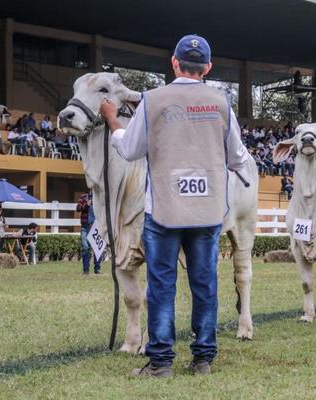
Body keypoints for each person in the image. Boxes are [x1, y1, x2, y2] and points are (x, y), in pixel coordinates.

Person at [100, 34, 248, 378]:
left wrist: (113, 122)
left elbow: (130, 149)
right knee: (205, 284)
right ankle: (203, 359)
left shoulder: (153, 100)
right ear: (208, 68)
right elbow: (237, 157)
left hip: (164, 209)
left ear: (174, 62)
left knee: (162, 285)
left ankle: (162, 362)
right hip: (208, 210)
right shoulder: (221, 102)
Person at [76, 191, 101, 275]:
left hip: (97, 226)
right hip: (85, 226)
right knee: (85, 248)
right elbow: (78, 208)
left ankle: (97, 269)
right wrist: (87, 204)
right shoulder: (83, 196)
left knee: (97, 249)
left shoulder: (100, 196)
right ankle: (85, 270)